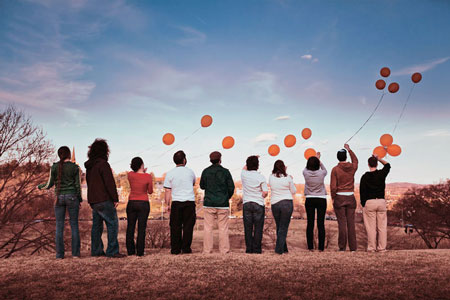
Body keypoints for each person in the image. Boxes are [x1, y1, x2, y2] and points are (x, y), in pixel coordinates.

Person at [38, 146, 82, 259]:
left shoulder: (54, 167)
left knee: (59, 226)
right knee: (74, 225)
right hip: (72, 197)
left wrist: (40, 186)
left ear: (59, 155)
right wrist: (79, 199)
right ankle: (75, 254)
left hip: (58, 198)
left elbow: (49, 184)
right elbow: (78, 185)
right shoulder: (75, 167)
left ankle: (59, 255)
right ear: (68, 155)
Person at [84, 139, 125, 258]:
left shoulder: (89, 167)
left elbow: (89, 182)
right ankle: (112, 251)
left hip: (93, 200)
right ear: (105, 151)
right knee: (112, 224)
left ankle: (96, 250)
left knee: (96, 226)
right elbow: (109, 183)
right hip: (104, 199)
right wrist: (115, 198)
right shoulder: (103, 164)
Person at [200, 151, 235, 254]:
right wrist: (226, 197)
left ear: (210, 160)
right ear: (220, 159)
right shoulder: (226, 172)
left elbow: (202, 186)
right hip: (222, 204)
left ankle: (207, 250)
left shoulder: (205, 171)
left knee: (208, 228)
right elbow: (231, 187)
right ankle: (224, 250)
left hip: (209, 203)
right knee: (223, 228)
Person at [164, 150, 196, 255]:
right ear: (184, 160)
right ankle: (186, 248)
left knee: (175, 226)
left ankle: (175, 249)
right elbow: (193, 183)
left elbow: (168, 190)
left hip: (176, 202)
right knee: (188, 226)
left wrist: (167, 204)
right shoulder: (191, 172)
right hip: (189, 202)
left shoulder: (170, 173)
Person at [360, 155, 391, 252]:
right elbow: (388, 165)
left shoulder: (365, 177)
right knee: (382, 227)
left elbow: (362, 191)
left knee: (371, 228)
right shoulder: (381, 174)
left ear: (368, 164)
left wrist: (363, 203)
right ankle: (382, 248)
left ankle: (371, 248)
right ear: (377, 164)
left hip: (370, 202)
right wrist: (379, 158)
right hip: (381, 201)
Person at [330, 144, 358, 252]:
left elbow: (333, 186)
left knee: (342, 223)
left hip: (339, 197)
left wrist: (333, 198)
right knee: (351, 223)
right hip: (351, 197)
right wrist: (349, 149)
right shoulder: (352, 167)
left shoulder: (335, 170)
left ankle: (342, 247)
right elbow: (356, 160)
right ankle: (353, 247)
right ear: (346, 157)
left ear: (338, 158)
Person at [126, 157, 153, 256]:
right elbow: (150, 191)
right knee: (141, 228)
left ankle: (130, 251)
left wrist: (140, 171)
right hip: (143, 203)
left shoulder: (130, 175)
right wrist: (144, 173)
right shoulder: (148, 176)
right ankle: (140, 252)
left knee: (130, 227)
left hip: (132, 202)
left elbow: (133, 173)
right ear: (142, 165)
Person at [241, 155, 268, 254]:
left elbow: (244, 168)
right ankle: (257, 249)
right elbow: (265, 192)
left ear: (247, 165)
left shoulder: (243, 174)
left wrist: (251, 159)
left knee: (247, 228)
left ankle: (249, 249)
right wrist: (262, 195)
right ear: (258, 165)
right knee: (258, 228)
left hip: (247, 203)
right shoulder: (261, 177)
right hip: (258, 204)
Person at [269, 160, 296, 254]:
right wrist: (291, 179)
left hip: (275, 204)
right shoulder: (288, 178)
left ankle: (284, 249)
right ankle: (279, 250)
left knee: (279, 226)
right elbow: (293, 191)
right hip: (286, 203)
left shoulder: (271, 177)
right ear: (283, 167)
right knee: (283, 227)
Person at [303, 153, 327, 251]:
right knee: (321, 224)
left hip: (309, 199)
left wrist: (314, 160)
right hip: (321, 198)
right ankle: (321, 248)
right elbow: (324, 169)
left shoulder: (305, 173)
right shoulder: (322, 173)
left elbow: (305, 167)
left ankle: (310, 247)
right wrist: (319, 160)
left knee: (310, 223)